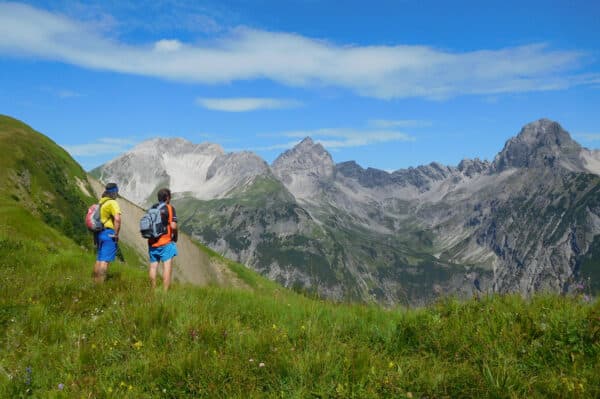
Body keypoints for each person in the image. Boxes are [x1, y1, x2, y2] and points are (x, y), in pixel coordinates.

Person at [148, 188, 178, 291]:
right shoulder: (169, 208)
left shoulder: (152, 208)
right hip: (165, 242)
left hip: (152, 242)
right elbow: (173, 226)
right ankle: (165, 292)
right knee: (167, 266)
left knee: (153, 267)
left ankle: (152, 289)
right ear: (167, 197)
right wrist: (175, 236)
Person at [93, 182, 121, 283]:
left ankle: (95, 282)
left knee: (99, 259)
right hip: (108, 233)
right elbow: (117, 219)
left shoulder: (101, 202)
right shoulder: (112, 203)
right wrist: (116, 234)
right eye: (117, 192)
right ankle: (100, 285)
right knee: (105, 261)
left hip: (99, 233)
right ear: (114, 192)